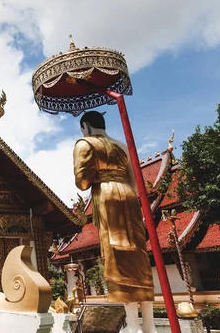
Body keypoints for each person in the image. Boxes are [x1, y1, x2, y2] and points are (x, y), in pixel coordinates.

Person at [73, 111, 156, 333]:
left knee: (118, 256)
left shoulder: (85, 144)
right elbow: (136, 183)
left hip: (108, 198)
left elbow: (81, 182)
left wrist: (100, 178)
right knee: (138, 256)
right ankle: (150, 324)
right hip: (128, 197)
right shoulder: (121, 146)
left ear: (86, 127)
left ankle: (134, 326)